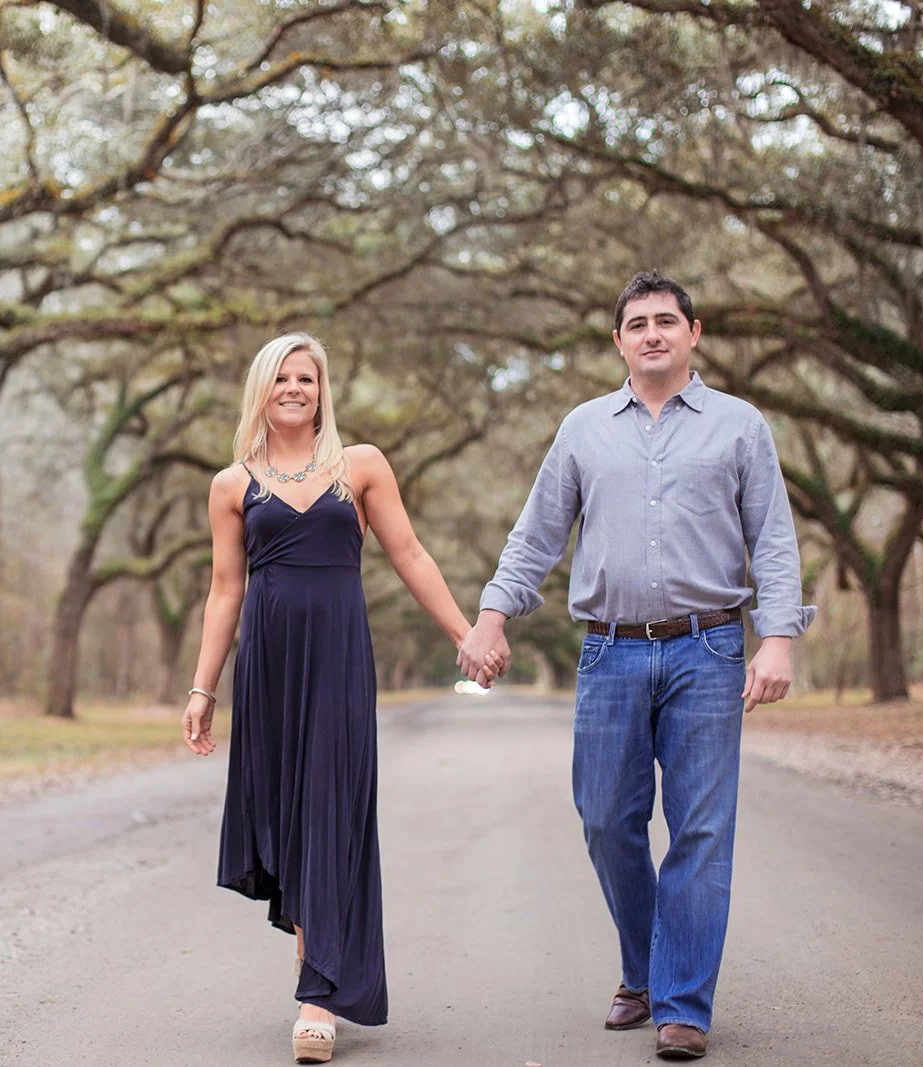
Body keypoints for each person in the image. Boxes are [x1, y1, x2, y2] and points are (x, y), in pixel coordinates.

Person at [457, 272, 815, 1060]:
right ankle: (644, 967)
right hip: (610, 649)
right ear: (618, 341)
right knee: (605, 820)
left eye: (666, 321)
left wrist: (779, 637)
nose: (652, 333)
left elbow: (775, 538)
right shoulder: (584, 429)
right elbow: (537, 536)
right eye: (637, 323)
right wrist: (490, 618)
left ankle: (682, 1002)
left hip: (709, 645)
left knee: (700, 828)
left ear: (695, 332)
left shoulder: (740, 426)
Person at [182, 332, 494, 1064]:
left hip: (337, 660)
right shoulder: (233, 484)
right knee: (290, 811)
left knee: (331, 804)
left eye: (308, 378)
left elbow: (409, 553)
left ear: (323, 391)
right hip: (268, 664)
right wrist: (203, 688)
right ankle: (313, 951)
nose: (295, 388)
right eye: (283, 377)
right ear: (262, 387)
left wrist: (465, 633)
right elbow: (225, 589)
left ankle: (318, 995)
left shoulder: (360, 467)